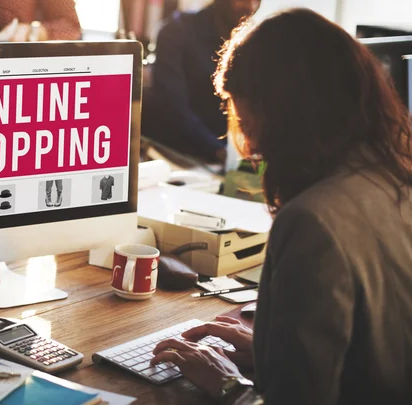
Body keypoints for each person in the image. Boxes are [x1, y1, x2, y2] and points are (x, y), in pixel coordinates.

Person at [150, 9, 412, 405]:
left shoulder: (313, 221)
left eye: (252, 129)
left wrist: (226, 383)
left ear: (289, 118)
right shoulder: (396, 181)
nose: (253, 150)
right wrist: (274, 353)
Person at [143, 0, 261, 162]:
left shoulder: (252, 39)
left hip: (227, 158)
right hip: (177, 156)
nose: (251, 7)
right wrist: (219, 150)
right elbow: (172, 106)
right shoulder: (177, 30)